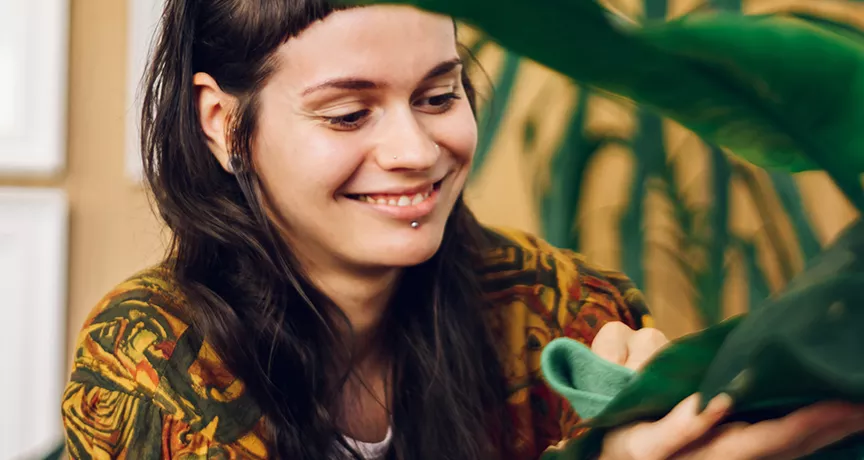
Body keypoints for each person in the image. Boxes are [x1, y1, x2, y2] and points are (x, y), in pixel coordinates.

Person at [60, 1, 864, 459]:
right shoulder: (142, 363)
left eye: (440, 96)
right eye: (348, 113)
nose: (416, 152)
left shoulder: (564, 310)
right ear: (223, 123)